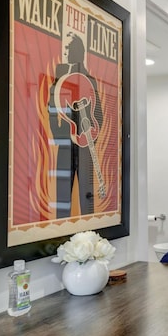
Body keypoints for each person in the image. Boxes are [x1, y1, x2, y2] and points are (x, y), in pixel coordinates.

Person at [48, 32, 105, 218]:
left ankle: (90, 226)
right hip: (65, 143)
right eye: (66, 49)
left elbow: (98, 113)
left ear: (78, 52)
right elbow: (52, 108)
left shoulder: (90, 79)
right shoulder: (59, 75)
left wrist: (91, 139)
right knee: (62, 194)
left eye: (70, 48)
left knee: (87, 194)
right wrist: (59, 137)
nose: (67, 52)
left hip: (86, 144)